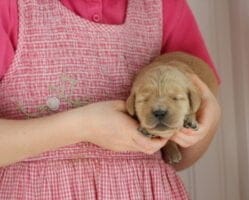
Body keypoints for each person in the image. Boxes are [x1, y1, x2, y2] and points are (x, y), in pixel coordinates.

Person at [0, 0, 221, 199]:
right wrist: (82, 126)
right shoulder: (10, 7)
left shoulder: (163, 6)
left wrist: (204, 125)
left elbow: (179, 157)